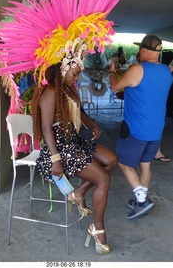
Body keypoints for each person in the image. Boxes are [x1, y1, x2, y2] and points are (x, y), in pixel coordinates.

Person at [31, 46, 117, 254]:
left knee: (111, 159)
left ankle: (78, 192)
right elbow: (45, 128)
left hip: (73, 142)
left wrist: (92, 124)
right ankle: (98, 229)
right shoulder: (51, 91)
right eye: (75, 73)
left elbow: (78, 112)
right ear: (63, 69)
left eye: (78, 74)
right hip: (60, 148)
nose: (76, 78)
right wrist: (55, 158)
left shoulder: (67, 90)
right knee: (103, 180)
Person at [109, 34, 172, 219]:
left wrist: (112, 72)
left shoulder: (138, 69)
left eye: (140, 49)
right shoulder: (166, 72)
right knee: (145, 164)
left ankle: (142, 201)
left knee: (123, 162)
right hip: (156, 130)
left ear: (144, 51)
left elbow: (115, 88)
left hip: (136, 131)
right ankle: (142, 198)